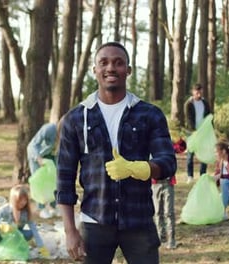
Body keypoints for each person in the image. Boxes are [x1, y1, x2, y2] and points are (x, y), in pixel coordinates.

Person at [56, 42, 177, 264]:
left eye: (118, 63)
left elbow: (168, 163)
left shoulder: (149, 114)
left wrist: (139, 168)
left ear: (128, 70)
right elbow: (64, 178)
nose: (111, 68)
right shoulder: (76, 118)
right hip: (94, 221)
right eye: (104, 62)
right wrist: (70, 231)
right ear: (95, 70)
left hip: (139, 220)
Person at [0, 184, 48, 255]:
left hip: (15, 235)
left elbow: (34, 230)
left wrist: (41, 247)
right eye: (20, 200)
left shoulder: (26, 213)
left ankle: (16, 246)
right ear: (13, 199)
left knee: (30, 233)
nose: (23, 202)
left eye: (25, 200)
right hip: (1, 235)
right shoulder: (5, 209)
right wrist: (1, 227)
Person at [27, 122, 58, 219]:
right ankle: (41, 208)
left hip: (52, 156)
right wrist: (38, 158)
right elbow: (33, 145)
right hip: (37, 155)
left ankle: (53, 207)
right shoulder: (49, 129)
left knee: (55, 180)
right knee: (39, 182)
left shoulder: (69, 134)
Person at [183, 83, 211, 184]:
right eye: (197, 91)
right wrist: (194, 131)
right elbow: (189, 119)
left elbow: (209, 117)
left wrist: (208, 129)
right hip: (192, 132)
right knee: (190, 154)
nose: (199, 94)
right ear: (193, 92)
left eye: (200, 91)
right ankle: (190, 176)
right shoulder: (189, 104)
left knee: (204, 154)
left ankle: (202, 175)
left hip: (203, 132)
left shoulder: (205, 103)